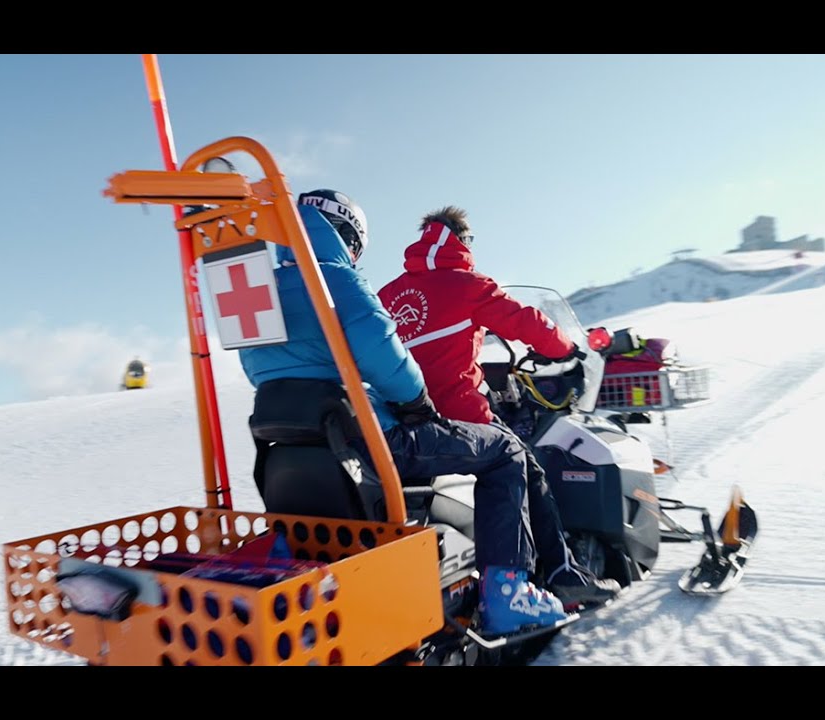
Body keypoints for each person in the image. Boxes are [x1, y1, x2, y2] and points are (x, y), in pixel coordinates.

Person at [239, 189, 568, 635]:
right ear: (348, 237)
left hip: (290, 445)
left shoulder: (260, 289)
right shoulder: (335, 278)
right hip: (368, 436)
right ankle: (507, 592)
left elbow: (258, 368)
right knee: (506, 452)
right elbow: (381, 351)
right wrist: (416, 401)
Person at [376, 205, 620, 605]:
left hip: (398, 421)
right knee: (522, 462)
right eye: (469, 239)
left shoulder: (389, 293)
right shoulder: (467, 284)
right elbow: (526, 322)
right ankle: (557, 573)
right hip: (458, 415)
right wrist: (566, 349)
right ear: (460, 239)